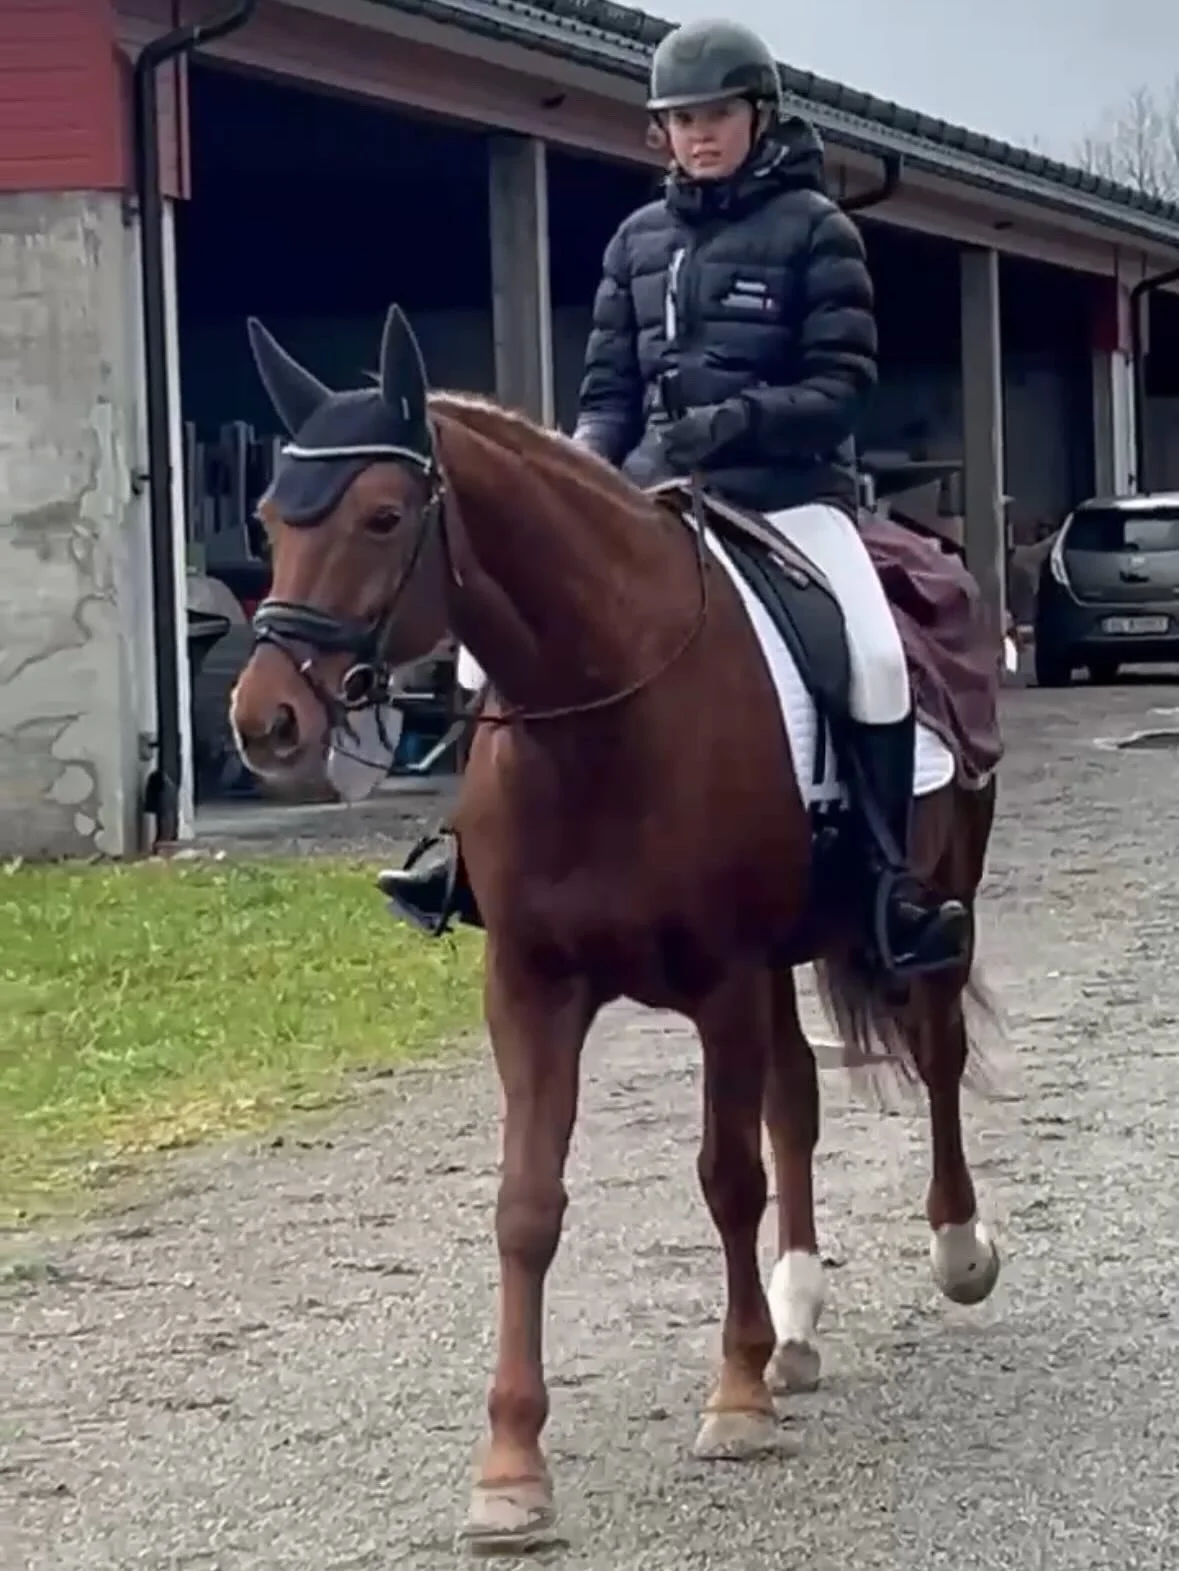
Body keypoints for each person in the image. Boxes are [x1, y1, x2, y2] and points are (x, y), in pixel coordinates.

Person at [379, 17, 969, 980]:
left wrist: (735, 423)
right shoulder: (635, 241)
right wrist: (580, 483)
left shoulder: (820, 232)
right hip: (653, 496)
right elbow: (607, 393)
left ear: (758, 117)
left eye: (715, 116)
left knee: (870, 658)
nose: (697, 135)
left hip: (788, 498)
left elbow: (843, 385)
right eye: (680, 120)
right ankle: (468, 858)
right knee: (497, 654)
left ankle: (886, 881)